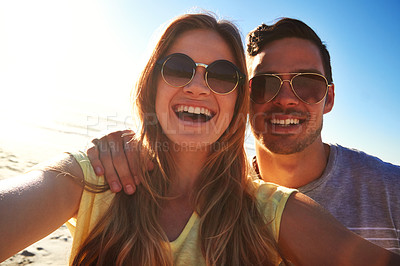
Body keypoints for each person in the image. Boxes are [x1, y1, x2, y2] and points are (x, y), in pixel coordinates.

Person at [1, 13, 400, 265]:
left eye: (222, 75)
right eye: (178, 67)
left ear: (235, 99)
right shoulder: (93, 178)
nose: (196, 86)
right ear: (150, 85)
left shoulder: (273, 211)